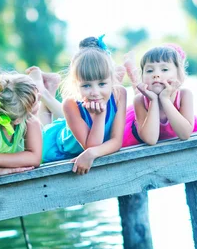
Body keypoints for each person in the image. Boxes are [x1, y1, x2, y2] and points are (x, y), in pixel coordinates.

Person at [30, 36, 127, 175]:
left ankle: (46, 90)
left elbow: (117, 141)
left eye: (102, 84)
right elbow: (92, 146)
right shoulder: (70, 104)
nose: (95, 92)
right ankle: (42, 91)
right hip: (56, 148)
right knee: (44, 130)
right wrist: (100, 116)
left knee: (56, 122)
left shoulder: (119, 94)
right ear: (76, 85)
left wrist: (91, 153)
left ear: (112, 79)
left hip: (73, 129)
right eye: (86, 85)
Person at [122, 44, 197, 147]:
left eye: (164, 69)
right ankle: (133, 74)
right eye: (149, 71)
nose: (156, 75)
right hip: (139, 134)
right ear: (143, 76)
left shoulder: (185, 95)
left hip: (177, 124)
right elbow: (150, 140)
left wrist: (165, 99)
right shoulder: (139, 100)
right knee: (139, 93)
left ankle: (133, 72)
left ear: (179, 75)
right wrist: (153, 101)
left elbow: (184, 135)